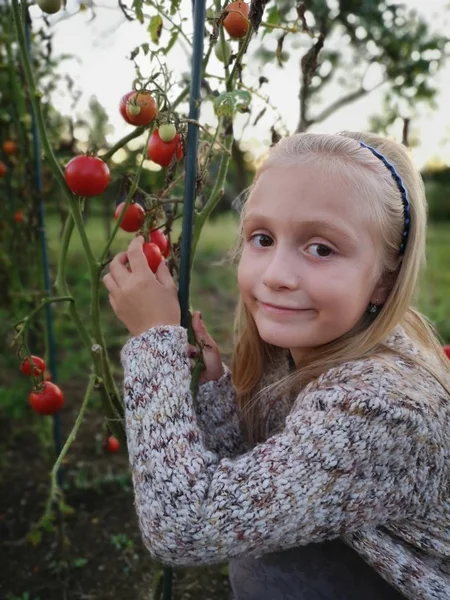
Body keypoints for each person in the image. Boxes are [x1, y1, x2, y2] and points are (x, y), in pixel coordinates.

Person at [102, 132, 450, 600]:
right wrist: (218, 391)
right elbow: (258, 485)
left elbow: (181, 525)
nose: (275, 275)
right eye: (262, 238)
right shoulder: (304, 349)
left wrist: (152, 342)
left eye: (321, 248)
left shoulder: (382, 407)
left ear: (385, 281)